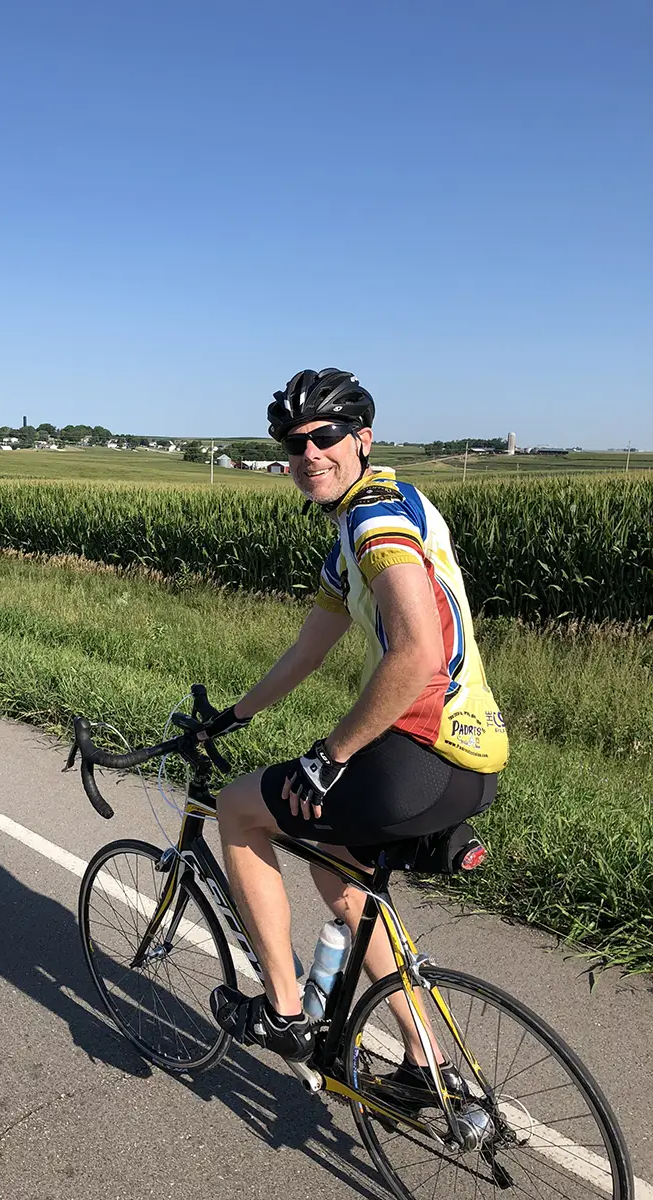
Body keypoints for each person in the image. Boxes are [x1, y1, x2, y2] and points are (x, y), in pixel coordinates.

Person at [202, 368, 509, 1091]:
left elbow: (417, 654)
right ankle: (424, 1062)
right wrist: (236, 714)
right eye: (294, 443)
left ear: (362, 438)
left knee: (239, 808)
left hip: (421, 753)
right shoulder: (376, 515)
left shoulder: (375, 522)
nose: (309, 453)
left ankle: (281, 1011)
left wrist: (329, 755)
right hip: (471, 756)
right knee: (334, 861)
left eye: (326, 436)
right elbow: (310, 649)